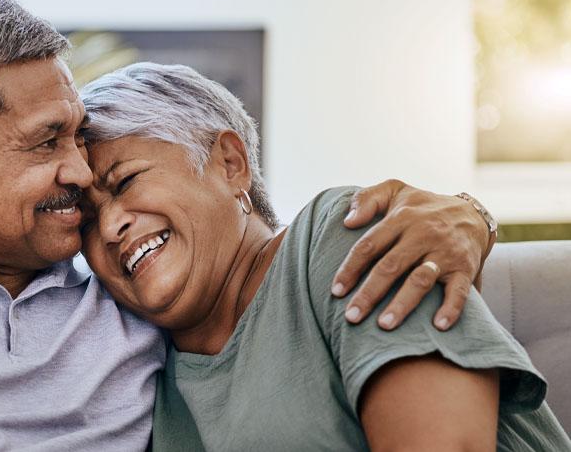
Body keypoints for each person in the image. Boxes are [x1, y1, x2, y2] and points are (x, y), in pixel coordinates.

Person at [0, 0, 496, 451]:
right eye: (45, 142)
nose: (80, 174)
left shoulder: (128, 293)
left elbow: (263, 278)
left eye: (81, 142)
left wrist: (466, 213)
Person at [78, 62, 571, 451]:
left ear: (230, 163)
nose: (109, 225)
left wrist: (475, 214)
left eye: (124, 182)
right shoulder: (139, 371)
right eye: (85, 220)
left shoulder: (343, 233)